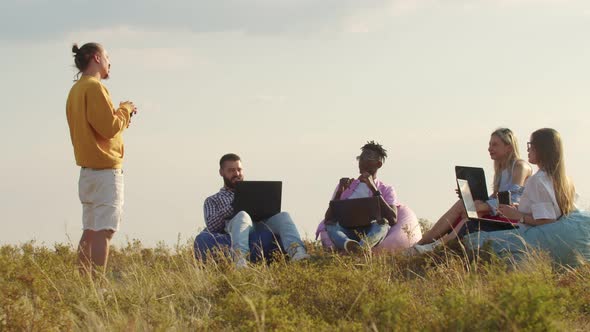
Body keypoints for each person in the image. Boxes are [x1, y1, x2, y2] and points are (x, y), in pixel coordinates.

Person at [464, 128, 588, 266]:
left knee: (473, 240)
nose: (528, 149)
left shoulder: (538, 180)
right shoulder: (564, 179)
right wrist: (520, 209)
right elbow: (555, 213)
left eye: (530, 145)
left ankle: (440, 252)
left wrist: (518, 215)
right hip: (563, 239)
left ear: (541, 149)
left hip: (539, 238)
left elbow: (547, 221)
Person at [66, 43, 138, 274]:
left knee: (90, 230)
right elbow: (109, 127)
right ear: (96, 58)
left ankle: (83, 285)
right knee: (104, 231)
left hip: (87, 172)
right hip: (105, 172)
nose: (109, 62)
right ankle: (97, 287)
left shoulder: (76, 89)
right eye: (107, 57)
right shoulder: (95, 87)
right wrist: (125, 110)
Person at [414, 128, 532, 251]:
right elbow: (496, 196)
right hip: (500, 210)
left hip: (514, 214)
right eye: (489, 144)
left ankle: (436, 245)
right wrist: (470, 195)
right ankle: (423, 242)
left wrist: (483, 206)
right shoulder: (501, 169)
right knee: (465, 204)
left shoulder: (520, 166)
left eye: (495, 145)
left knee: (473, 210)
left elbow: (514, 197)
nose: (489, 148)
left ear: (509, 147)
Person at [203, 153, 309, 268]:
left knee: (283, 216)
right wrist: (234, 206)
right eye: (231, 170)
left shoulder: (255, 191)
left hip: (262, 223)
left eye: (239, 170)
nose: (237, 174)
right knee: (242, 215)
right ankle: (240, 259)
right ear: (221, 172)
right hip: (236, 226)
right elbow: (212, 226)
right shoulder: (213, 200)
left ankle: (297, 252)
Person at [324, 141, 398, 252]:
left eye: (367, 158)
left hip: (370, 231)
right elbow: (328, 218)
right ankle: (348, 244)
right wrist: (339, 192)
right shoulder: (346, 186)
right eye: (360, 158)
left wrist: (374, 189)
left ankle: (362, 248)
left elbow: (393, 219)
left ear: (378, 164)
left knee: (383, 224)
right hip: (348, 230)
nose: (362, 162)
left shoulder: (386, 189)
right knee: (331, 226)